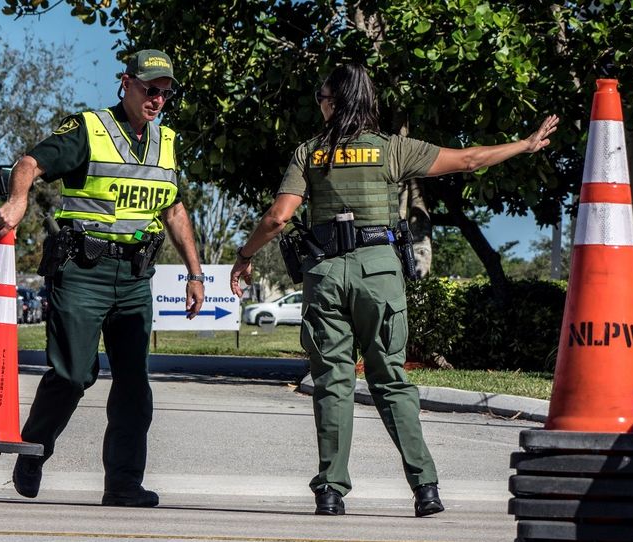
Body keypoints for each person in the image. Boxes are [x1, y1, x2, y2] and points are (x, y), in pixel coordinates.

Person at [230, 64, 557, 517]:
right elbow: (468, 159)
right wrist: (525, 144)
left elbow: (278, 218)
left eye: (323, 97)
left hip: (325, 276)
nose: (320, 104)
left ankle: (330, 491)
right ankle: (425, 488)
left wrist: (245, 255)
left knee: (332, 384)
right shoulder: (393, 150)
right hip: (379, 275)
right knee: (391, 380)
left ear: (338, 102)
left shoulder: (309, 154)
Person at [0, 49, 205, 508]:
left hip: (134, 276)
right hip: (83, 273)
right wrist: (18, 201)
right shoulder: (89, 130)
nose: (158, 100)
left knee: (134, 383)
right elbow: (28, 164)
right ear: (125, 83)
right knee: (74, 375)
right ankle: (33, 451)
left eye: (166, 93)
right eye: (151, 89)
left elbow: (172, 207)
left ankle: (124, 484)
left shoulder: (165, 141)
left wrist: (195, 272)